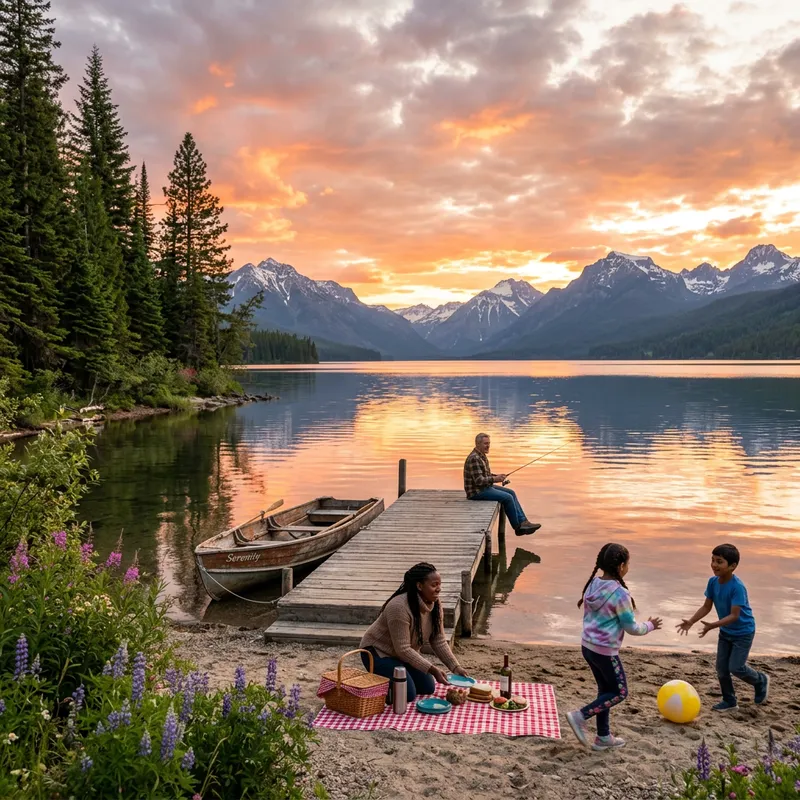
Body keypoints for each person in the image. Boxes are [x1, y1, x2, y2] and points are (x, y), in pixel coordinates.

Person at [565, 543, 662, 751]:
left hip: (588, 647)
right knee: (619, 692)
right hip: (604, 651)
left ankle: (603, 737)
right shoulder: (620, 594)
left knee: (605, 692)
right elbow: (632, 628)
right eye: (627, 564)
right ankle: (581, 715)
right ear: (620, 566)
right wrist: (651, 625)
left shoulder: (593, 584)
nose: (628, 567)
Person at [676, 543, 769, 711]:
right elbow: (706, 607)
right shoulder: (712, 582)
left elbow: (735, 615)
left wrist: (712, 625)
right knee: (721, 669)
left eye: (719, 562)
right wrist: (691, 621)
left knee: (736, 667)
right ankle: (729, 700)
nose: (714, 565)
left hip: (743, 632)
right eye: (712, 560)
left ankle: (760, 680)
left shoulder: (737, 587)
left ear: (732, 566)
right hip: (726, 632)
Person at [359, 562, 468, 701]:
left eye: (439, 585)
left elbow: (438, 640)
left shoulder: (435, 605)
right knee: (407, 695)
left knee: (427, 687)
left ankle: (393, 676)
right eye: (434, 585)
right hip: (377, 653)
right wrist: (432, 669)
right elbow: (403, 649)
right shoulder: (399, 607)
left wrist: (455, 667)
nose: (438, 589)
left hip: (400, 655)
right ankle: (370, 688)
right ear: (419, 586)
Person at [464, 433, 540, 535]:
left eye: (489, 443)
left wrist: (497, 476)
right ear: (478, 444)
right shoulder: (475, 458)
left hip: (483, 488)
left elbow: (485, 475)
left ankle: (523, 522)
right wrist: (495, 479)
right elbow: (479, 481)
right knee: (507, 498)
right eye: (485, 444)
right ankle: (518, 527)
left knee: (511, 492)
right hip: (476, 492)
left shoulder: (481, 456)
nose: (488, 446)